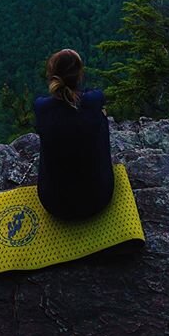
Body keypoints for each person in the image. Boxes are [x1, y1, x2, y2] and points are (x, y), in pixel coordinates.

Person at [33, 48, 115, 220]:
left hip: (53, 203)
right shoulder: (94, 100)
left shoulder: (42, 107)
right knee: (101, 116)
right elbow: (93, 97)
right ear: (80, 75)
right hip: (98, 198)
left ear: (52, 75)